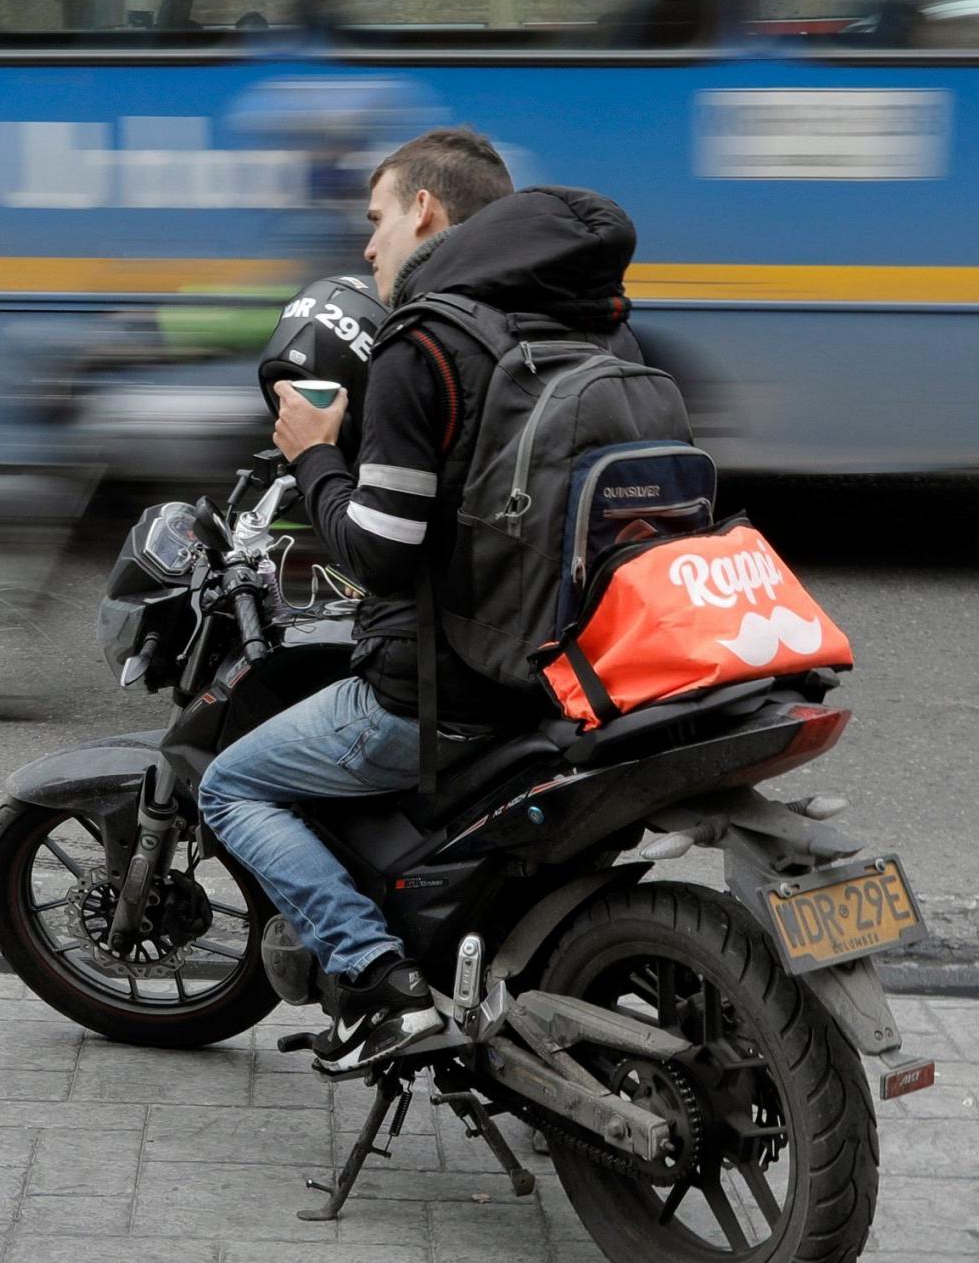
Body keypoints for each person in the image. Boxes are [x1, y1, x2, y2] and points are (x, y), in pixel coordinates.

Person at [197, 127, 645, 1059]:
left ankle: (373, 984)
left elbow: (381, 552)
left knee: (232, 784)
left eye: (377, 220)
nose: (367, 249)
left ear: (426, 213)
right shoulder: (597, 327)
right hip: (574, 676)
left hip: (445, 694)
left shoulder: (424, 343)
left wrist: (315, 452)